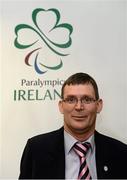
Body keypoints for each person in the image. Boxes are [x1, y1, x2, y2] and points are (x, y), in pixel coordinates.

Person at [19, 72, 127, 179]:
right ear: (61, 106)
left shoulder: (120, 153)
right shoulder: (36, 150)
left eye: (87, 99)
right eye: (71, 100)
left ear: (98, 105)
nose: (79, 107)